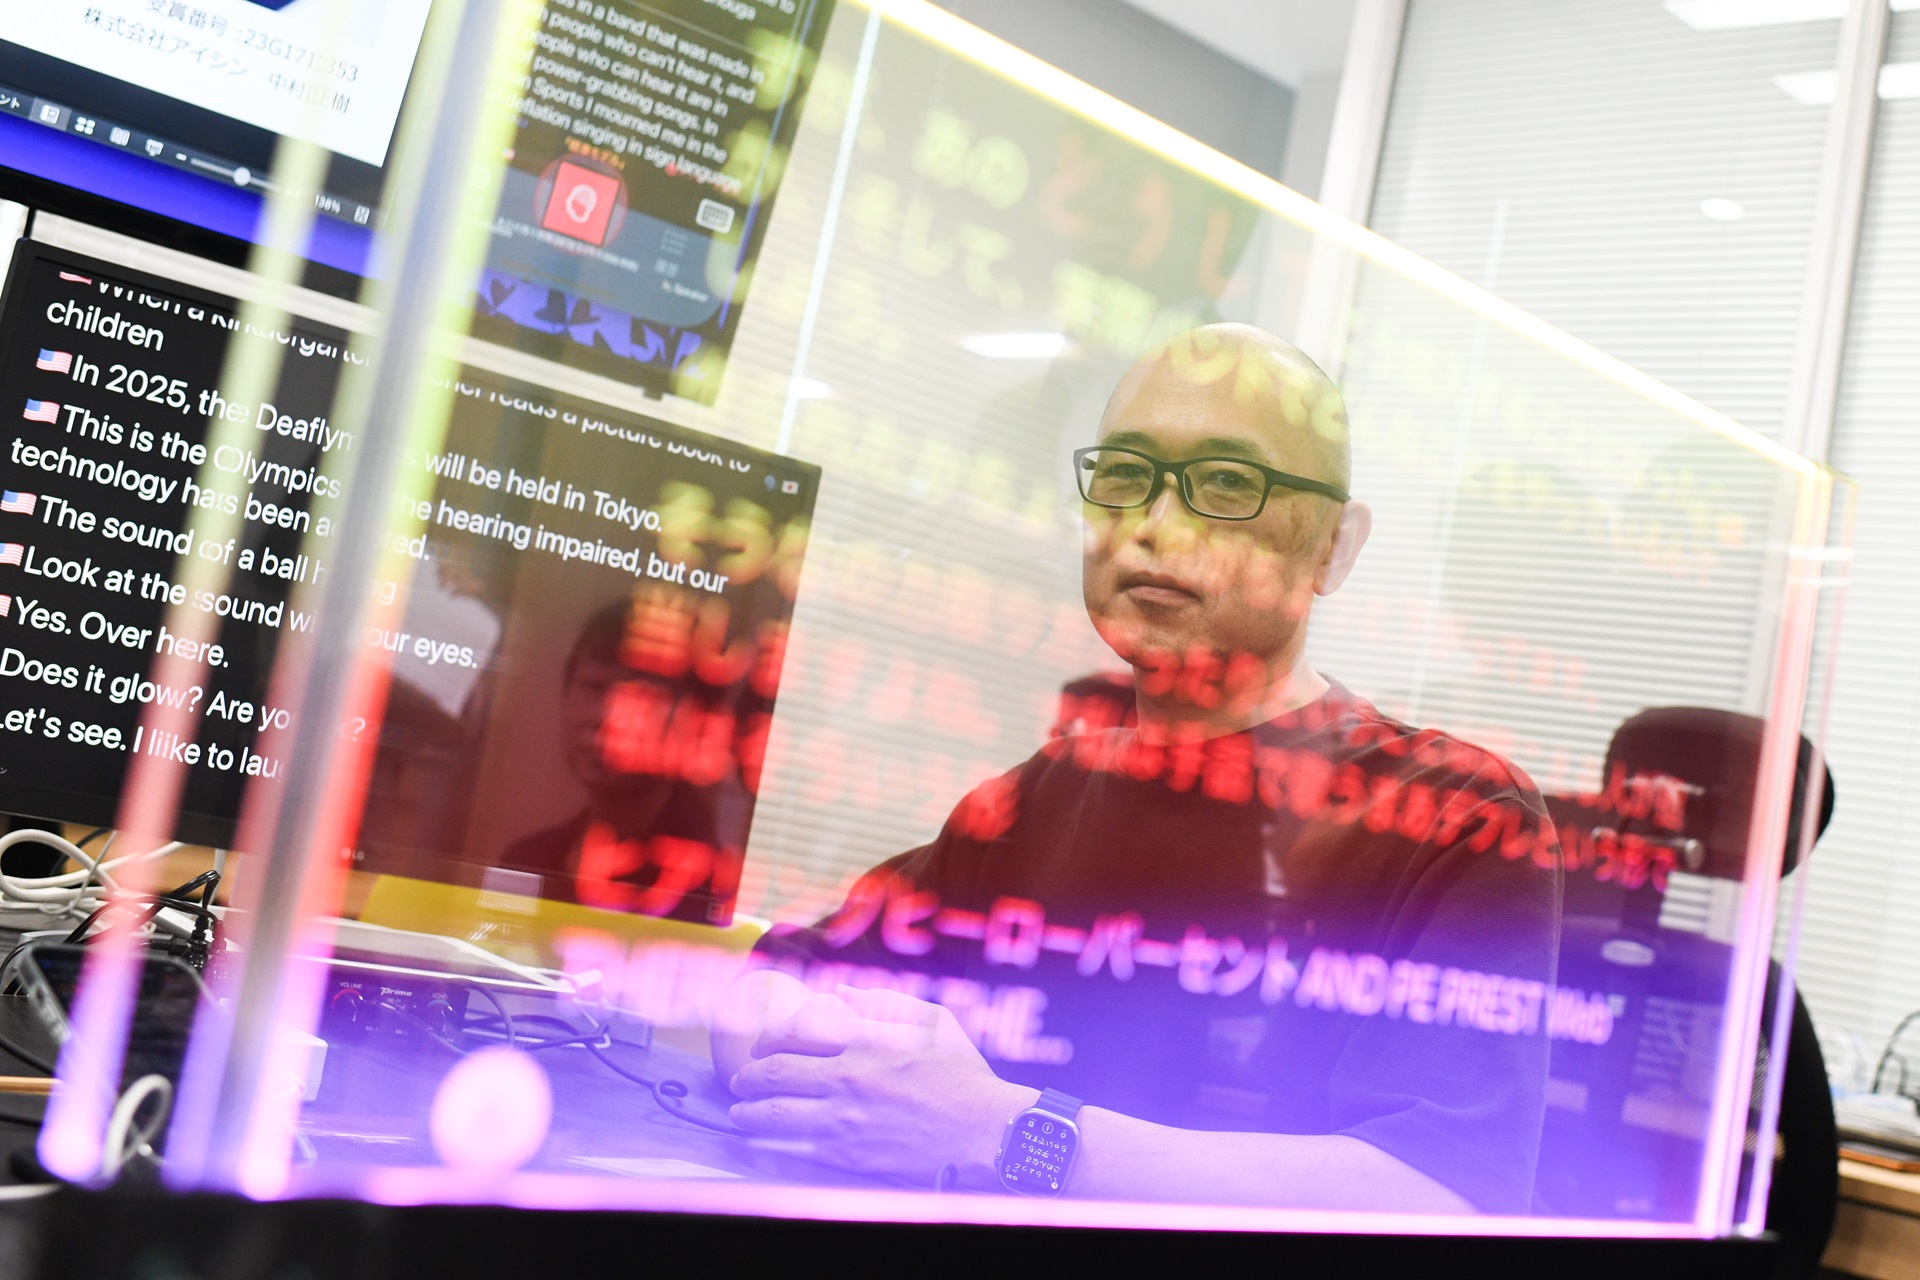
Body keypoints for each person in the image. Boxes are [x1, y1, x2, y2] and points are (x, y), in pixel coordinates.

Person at [711, 324, 1563, 1212]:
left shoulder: (1459, 818)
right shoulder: (1040, 797)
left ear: (1335, 551)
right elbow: (771, 982)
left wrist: (1001, 1133)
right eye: (1124, 475)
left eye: (1227, 483)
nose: (1155, 526)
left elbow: (1443, 1198)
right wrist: (829, 1058)